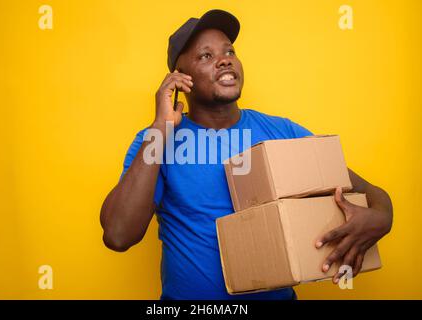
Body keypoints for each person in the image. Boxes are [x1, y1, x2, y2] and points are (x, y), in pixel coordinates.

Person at [100, 9, 393, 300]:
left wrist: (382, 217)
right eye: (206, 56)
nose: (225, 59)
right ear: (180, 78)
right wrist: (160, 129)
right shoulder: (155, 141)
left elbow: (372, 193)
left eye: (230, 51)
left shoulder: (282, 132)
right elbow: (118, 235)